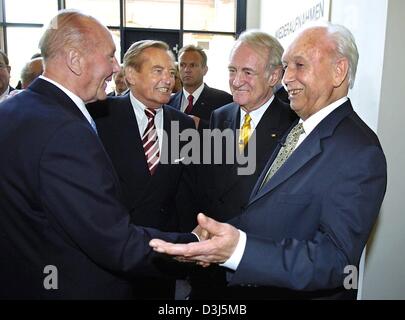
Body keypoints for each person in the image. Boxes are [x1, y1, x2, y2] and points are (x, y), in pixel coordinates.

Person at [150, 23, 388, 300]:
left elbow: (337, 263)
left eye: (300, 65)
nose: (287, 78)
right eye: (287, 66)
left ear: (339, 71)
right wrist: (216, 235)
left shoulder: (359, 150)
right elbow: (266, 209)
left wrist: (239, 250)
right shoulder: (304, 130)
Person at [0, 10, 197, 300]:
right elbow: (113, 242)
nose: (116, 67)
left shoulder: (12, 112)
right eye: (110, 56)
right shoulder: (66, 130)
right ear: (75, 60)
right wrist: (191, 245)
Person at [183, 30, 297, 299]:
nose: (236, 81)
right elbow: (207, 183)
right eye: (232, 70)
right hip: (211, 263)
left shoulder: (293, 124)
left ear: (273, 76)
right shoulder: (220, 115)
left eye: (247, 72)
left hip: (255, 264)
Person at [87, 40, 196, 299]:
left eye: (171, 72)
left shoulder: (183, 125)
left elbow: (186, 189)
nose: (168, 80)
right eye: (158, 71)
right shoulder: (100, 116)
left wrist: (188, 241)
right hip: (112, 249)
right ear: (131, 75)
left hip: (161, 254)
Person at [168, 45, 233, 129]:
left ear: (205, 70)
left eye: (193, 65)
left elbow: (232, 133)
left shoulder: (224, 101)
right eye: (182, 65)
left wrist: (202, 125)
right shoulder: (169, 103)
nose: (186, 70)